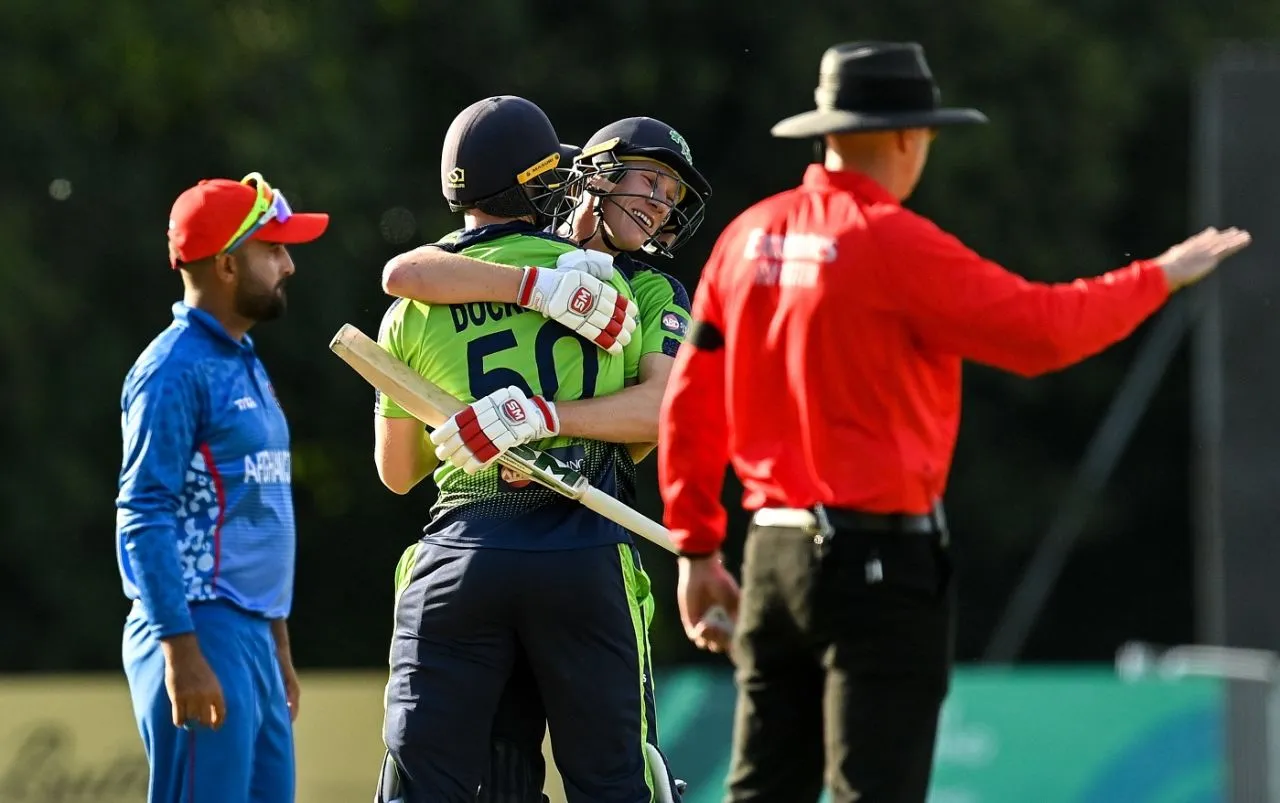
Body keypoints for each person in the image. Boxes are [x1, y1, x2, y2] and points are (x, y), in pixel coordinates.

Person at [657, 40, 1252, 803]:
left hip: (772, 553)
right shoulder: (890, 242)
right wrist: (1158, 276)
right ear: (909, 136)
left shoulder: (747, 238)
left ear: (828, 131)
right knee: (877, 789)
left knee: (762, 790)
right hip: (875, 562)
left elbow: (691, 399)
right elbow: (1043, 331)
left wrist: (697, 546)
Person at [378, 116, 711, 803]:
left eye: (672, 193)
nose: (662, 204)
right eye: (652, 179)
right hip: (572, 552)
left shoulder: (641, 288)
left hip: (490, 540)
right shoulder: (600, 286)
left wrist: (539, 416)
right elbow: (404, 271)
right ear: (589, 174)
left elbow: (654, 420)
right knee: (573, 780)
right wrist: (540, 288)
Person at [115, 172, 329, 802]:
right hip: (198, 628)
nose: (288, 265)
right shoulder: (172, 368)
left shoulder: (242, 358)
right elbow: (143, 510)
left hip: (252, 634)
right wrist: (181, 651)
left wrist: (279, 645)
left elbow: (261, 512)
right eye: (274, 249)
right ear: (228, 265)